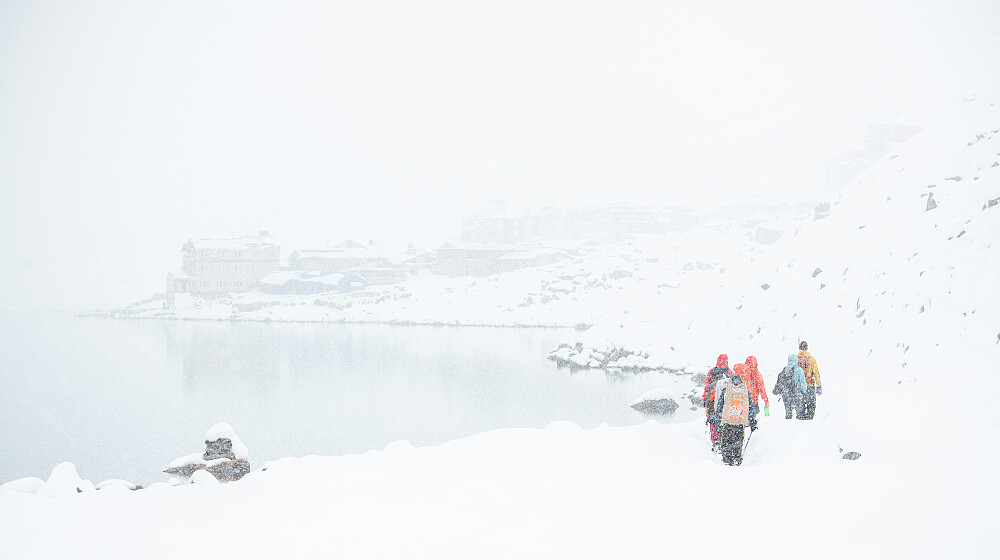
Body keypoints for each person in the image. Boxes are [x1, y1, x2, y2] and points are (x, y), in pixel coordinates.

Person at [714, 362, 759, 466]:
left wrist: (717, 424)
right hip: (739, 424)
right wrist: (752, 422)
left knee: (726, 444)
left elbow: (719, 409)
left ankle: (727, 463)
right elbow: (751, 408)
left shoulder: (726, 391)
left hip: (727, 424)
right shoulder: (745, 392)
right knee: (737, 444)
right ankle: (737, 462)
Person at [701, 354, 730, 452]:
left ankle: (716, 440)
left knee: (713, 419)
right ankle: (724, 440)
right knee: (724, 419)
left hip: (712, 400)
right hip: (726, 400)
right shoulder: (729, 372)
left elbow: (707, 385)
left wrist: (705, 398)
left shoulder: (712, 372)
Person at [772, 354, 807, 419]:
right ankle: (798, 427)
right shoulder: (799, 370)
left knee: (788, 414)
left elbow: (780, 381)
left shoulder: (784, 369)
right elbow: (802, 383)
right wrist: (804, 392)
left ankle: (787, 425)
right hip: (797, 394)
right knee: (800, 415)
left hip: (786, 395)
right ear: (796, 360)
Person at [797, 341, 823, 420]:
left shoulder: (796, 359)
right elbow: (816, 374)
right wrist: (819, 386)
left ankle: (800, 423)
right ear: (807, 348)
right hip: (810, 385)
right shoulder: (812, 360)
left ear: (799, 348)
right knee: (811, 406)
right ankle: (808, 423)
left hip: (800, 387)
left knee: (800, 408)